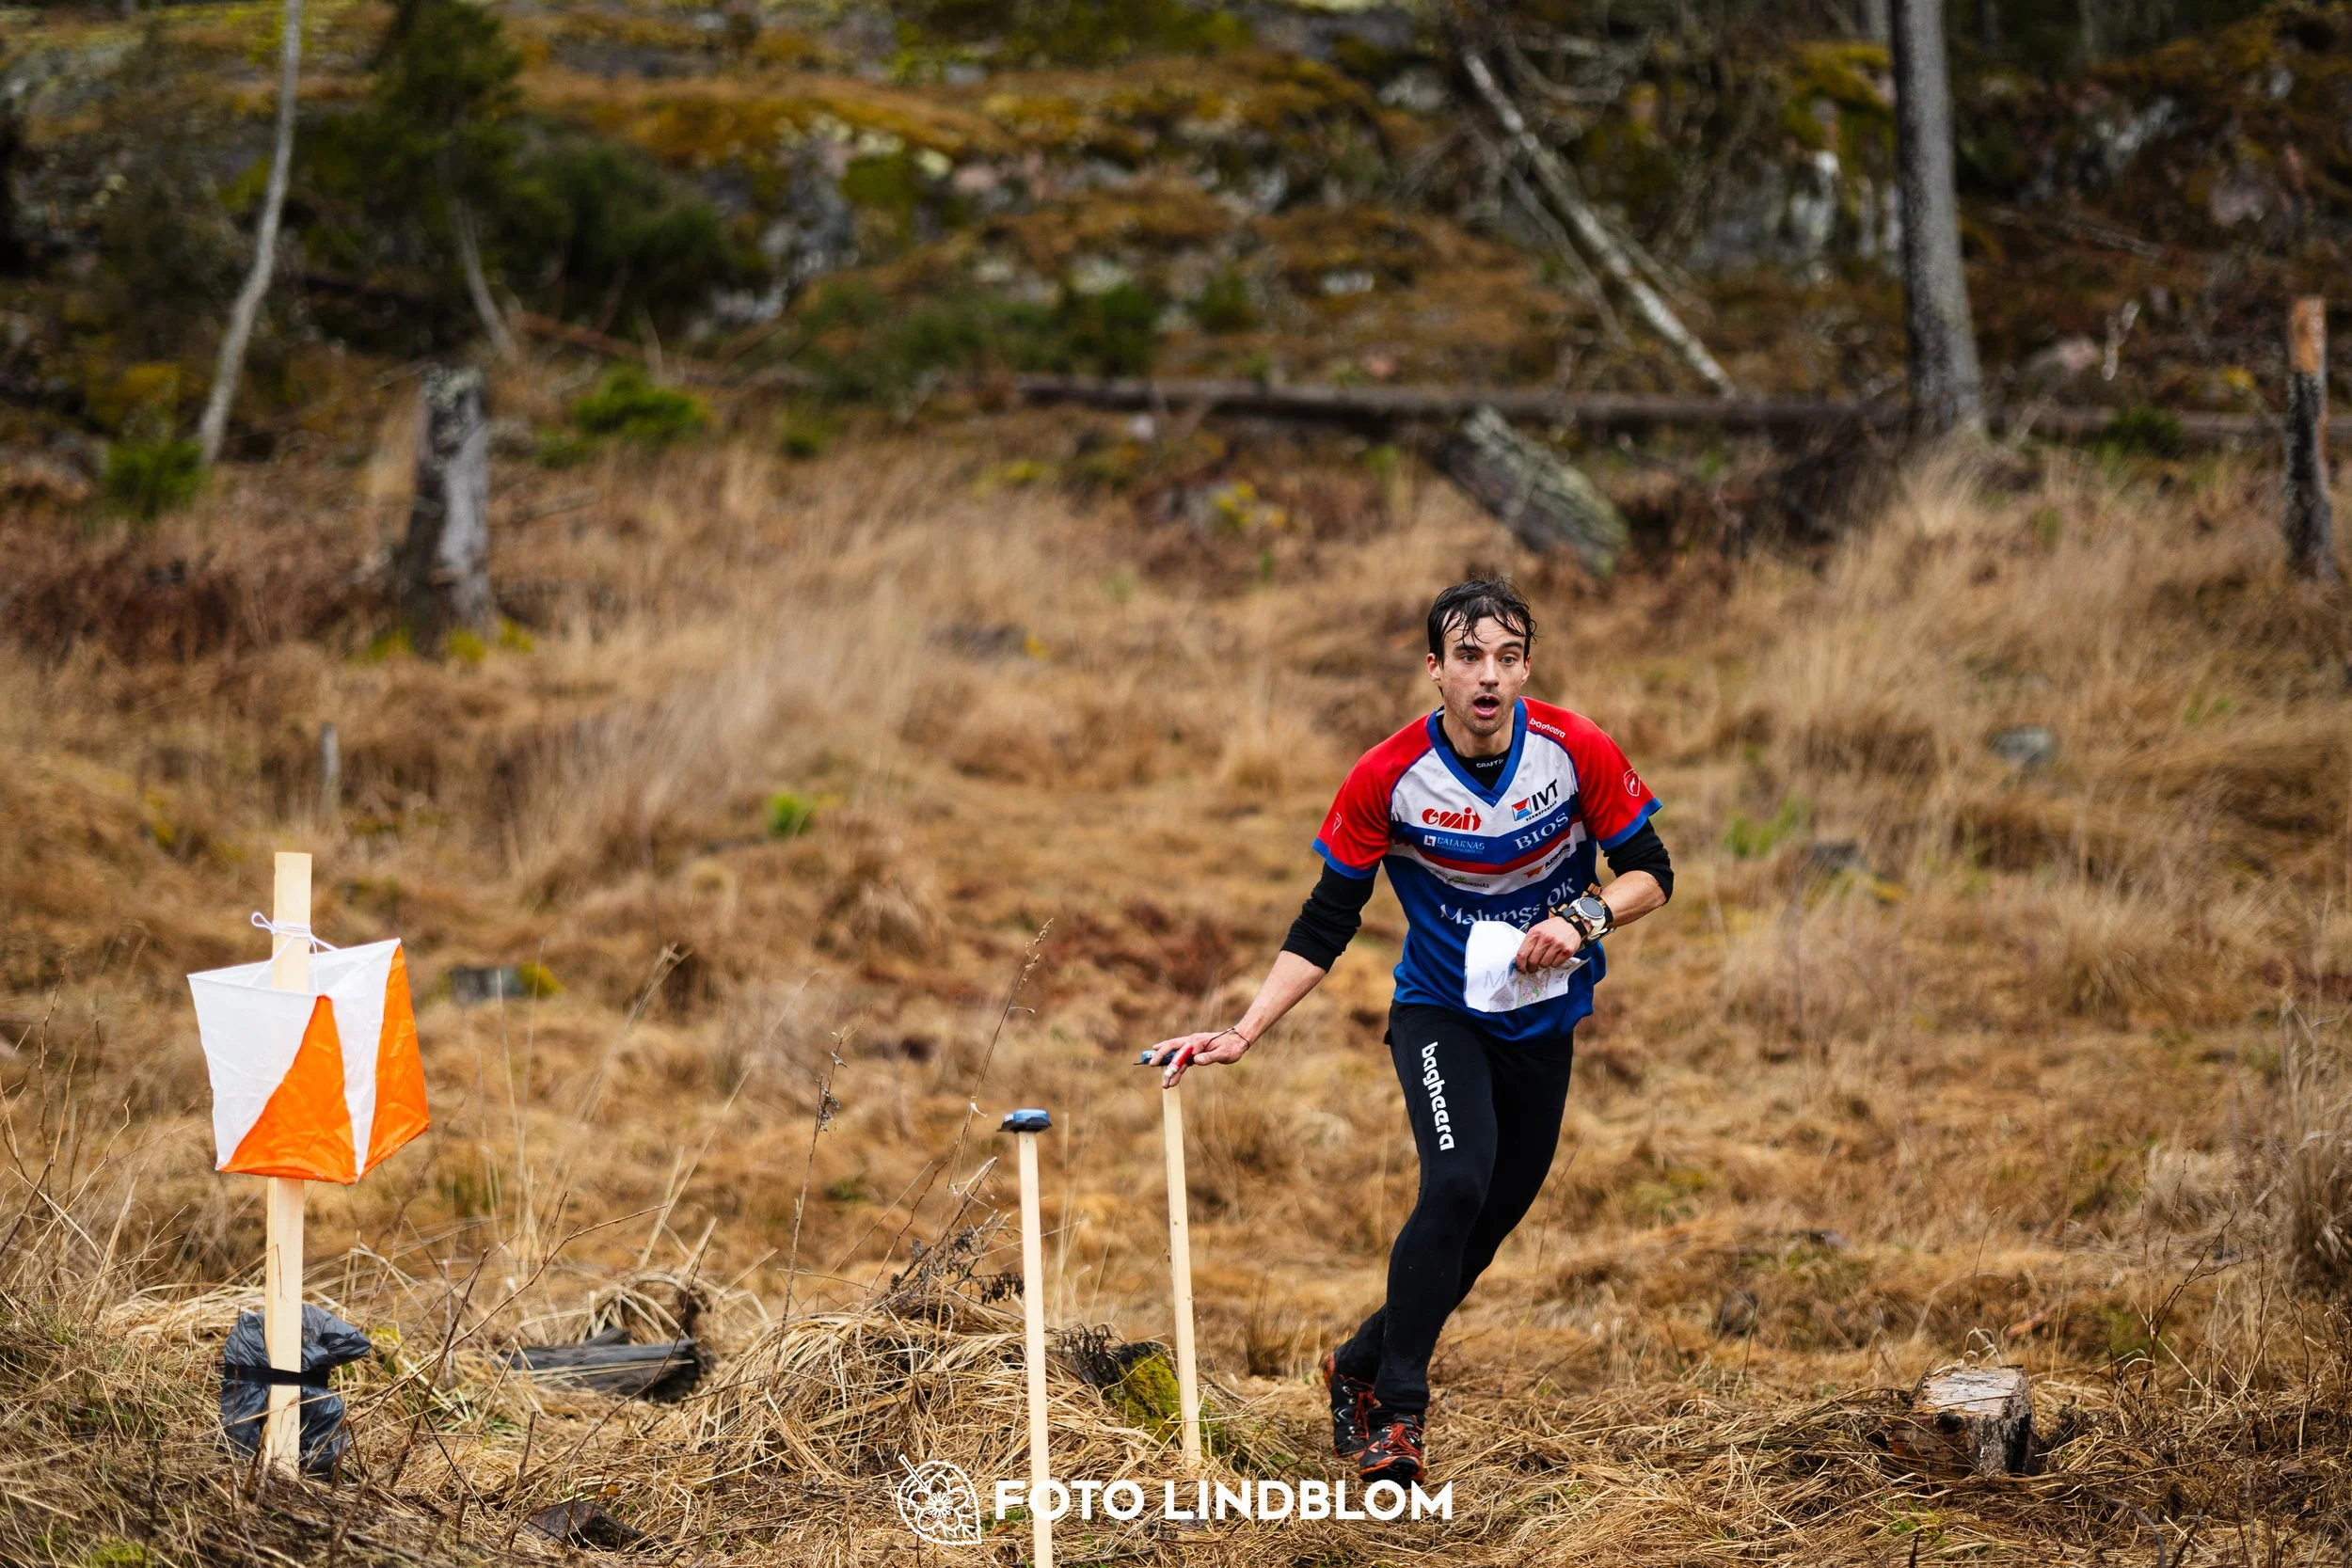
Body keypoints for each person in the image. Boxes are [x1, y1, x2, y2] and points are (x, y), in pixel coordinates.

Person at [1142, 577, 1673, 1486]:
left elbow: (1653, 871)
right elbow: (1325, 920)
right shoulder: (1387, 776)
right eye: (1469, 656)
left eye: (1507, 657)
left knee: (1491, 1219)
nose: (1489, 678)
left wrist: (1586, 919)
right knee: (1458, 1181)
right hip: (1439, 1011)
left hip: (1545, 1017)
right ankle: (1396, 1411)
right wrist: (1245, 1028)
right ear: (1435, 669)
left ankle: (1355, 1363)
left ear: (1526, 667)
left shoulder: (1571, 747)